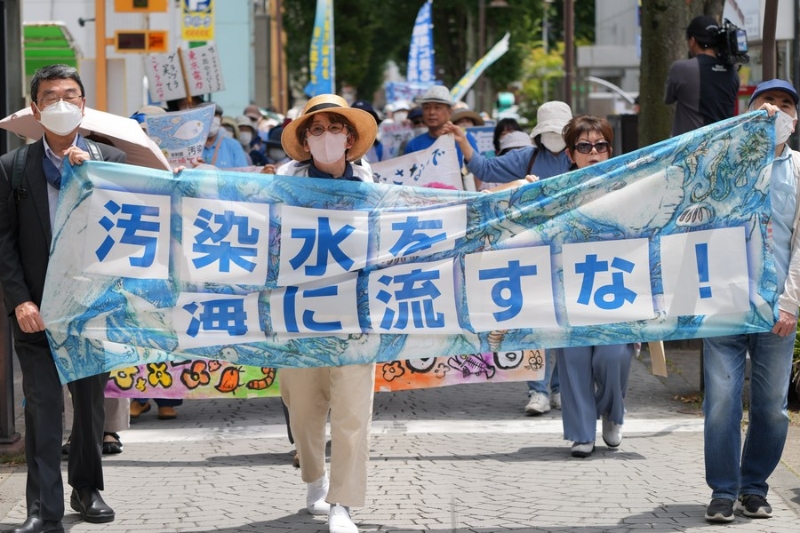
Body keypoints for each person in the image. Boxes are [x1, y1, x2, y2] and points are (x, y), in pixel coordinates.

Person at [0, 64, 121, 533]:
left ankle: (87, 489)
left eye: (70, 95)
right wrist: (19, 300)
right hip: (37, 311)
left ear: (84, 104)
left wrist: (93, 177)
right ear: (35, 109)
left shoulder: (109, 161)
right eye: (50, 97)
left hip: (90, 309)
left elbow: (133, 230)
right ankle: (41, 507)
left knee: (89, 406)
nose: (61, 103)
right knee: (42, 405)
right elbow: (4, 242)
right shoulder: (13, 168)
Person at [277, 94, 379, 533]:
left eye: (335, 128)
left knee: (353, 413)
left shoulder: (374, 189)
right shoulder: (282, 188)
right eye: (316, 130)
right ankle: (314, 478)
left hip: (357, 315)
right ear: (304, 141)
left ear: (350, 138)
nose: (326, 137)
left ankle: (343, 503)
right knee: (302, 408)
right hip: (298, 315)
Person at [702, 79, 800, 524]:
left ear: (795, 119)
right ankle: (723, 491)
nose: (775, 110)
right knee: (722, 400)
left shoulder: (798, 170)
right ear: (748, 112)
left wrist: (791, 302)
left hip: (777, 307)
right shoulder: (719, 161)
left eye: (785, 104)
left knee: (773, 408)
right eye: (766, 102)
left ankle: (754, 487)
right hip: (723, 303)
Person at [555, 115, 635, 457]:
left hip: (616, 288)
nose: (593, 153)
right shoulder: (553, 193)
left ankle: (612, 413)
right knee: (573, 360)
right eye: (584, 146)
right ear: (570, 154)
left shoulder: (628, 187)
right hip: (568, 291)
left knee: (613, 356)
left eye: (601, 145)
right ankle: (582, 432)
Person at [445, 101, 573, 185]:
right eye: (548, 132)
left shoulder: (582, 154)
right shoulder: (525, 158)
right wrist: (463, 141)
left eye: (558, 132)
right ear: (539, 134)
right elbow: (485, 169)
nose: (553, 136)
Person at [664, 15, 739, 137]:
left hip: (691, 146)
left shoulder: (681, 69)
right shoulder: (732, 71)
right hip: (723, 144)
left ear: (692, 41)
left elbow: (668, 98)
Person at [404, 85, 479, 166]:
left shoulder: (464, 139)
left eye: (437, 108)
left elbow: (477, 170)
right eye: (427, 108)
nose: (432, 112)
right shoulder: (414, 145)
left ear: (449, 113)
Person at [202, 104, 249, 169]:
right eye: (206, 115)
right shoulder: (191, 146)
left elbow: (243, 172)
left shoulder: (233, 145)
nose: (211, 119)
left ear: (221, 120)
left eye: (214, 115)